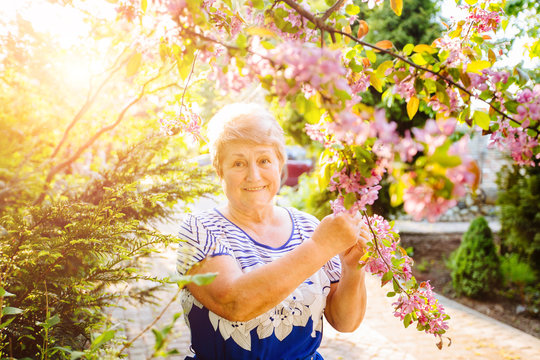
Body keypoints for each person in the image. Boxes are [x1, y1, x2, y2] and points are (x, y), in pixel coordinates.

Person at [177, 103, 370, 360]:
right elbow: (234, 303)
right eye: (238, 163)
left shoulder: (308, 227)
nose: (253, 175)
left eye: (264, 160)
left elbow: (344, 322)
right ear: (219, 170)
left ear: (280, 163)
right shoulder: (199, 229)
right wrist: (320, 247)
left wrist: (353, 268)